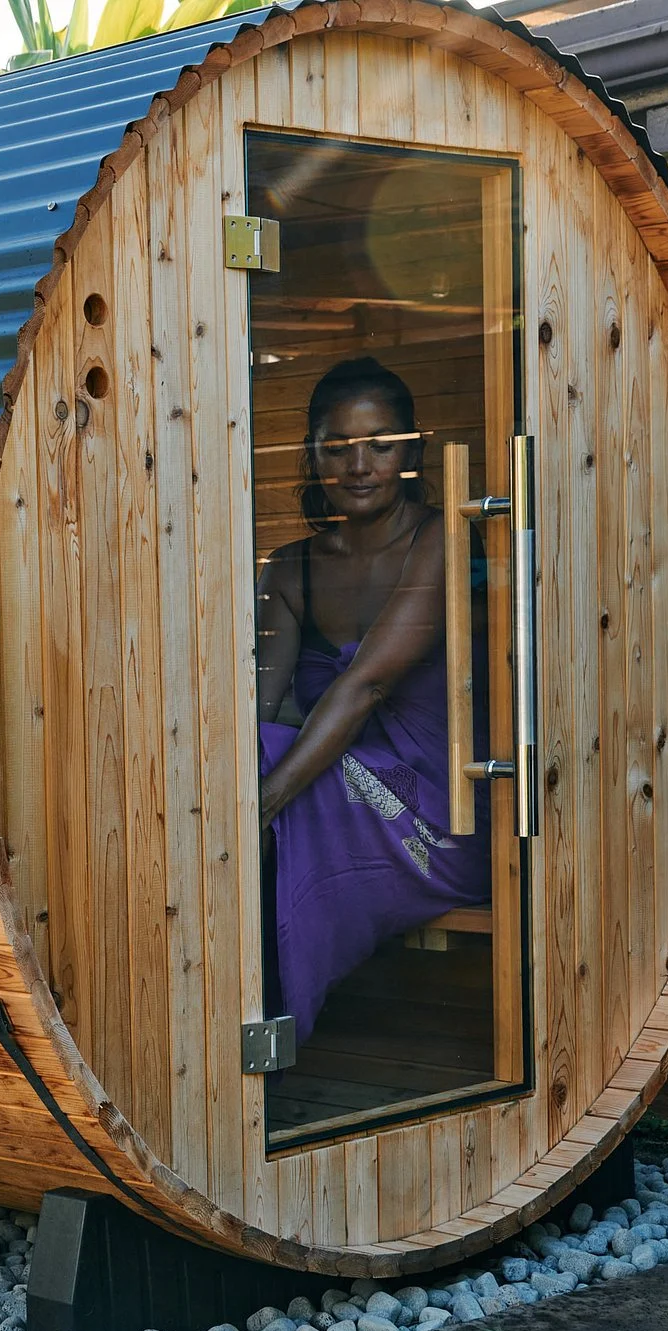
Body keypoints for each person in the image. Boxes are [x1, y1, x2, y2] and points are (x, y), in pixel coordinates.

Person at [256, 357, 490, 1036]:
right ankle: (223, 1010)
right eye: (338, 448)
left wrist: (258, 805)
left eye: (380, 446)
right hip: (333, 786)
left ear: (414, 450)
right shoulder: (292, 567)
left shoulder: (444, 538)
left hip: (441, 815)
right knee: (248, 749)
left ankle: (263, 1022)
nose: (359, 465)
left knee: (263, 790)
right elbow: (262, 709)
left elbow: (368, 684)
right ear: (312, 456)